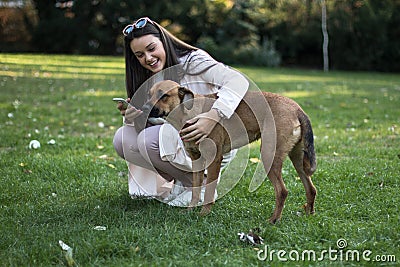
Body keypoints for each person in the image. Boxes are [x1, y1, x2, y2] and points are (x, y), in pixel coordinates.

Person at [113, 17, 249, 206]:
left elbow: (238, 81)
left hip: (211, 139)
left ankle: (200, 186)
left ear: (164, 41)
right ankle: (184, 182)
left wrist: (213, 116)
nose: (148, 58)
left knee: (148, 140)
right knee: (123, 138)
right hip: (182, 140)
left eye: (151, 49)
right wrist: (134, 117)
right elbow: (163, 122)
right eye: (140, 55)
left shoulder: (194, 61)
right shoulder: (152, 78)